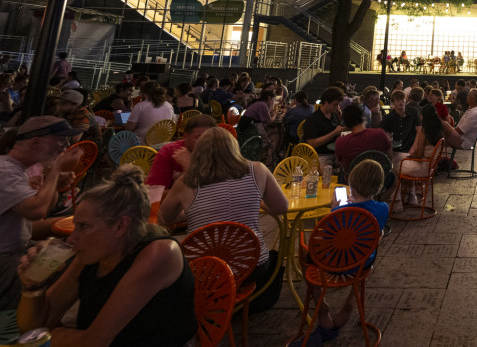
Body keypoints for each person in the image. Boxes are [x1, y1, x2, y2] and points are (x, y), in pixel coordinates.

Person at [16, 165, 197, 346]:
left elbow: (94, 342)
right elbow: (33, 328)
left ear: (120, 226)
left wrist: (50, 335)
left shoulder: (160, 253)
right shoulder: (93, 254)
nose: (71, 238)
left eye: (84, 227)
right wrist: (32, 286)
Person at [159, 127, 289, 294]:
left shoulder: (186, 181)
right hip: (252, 266)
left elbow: (163, 217)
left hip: (204, 273)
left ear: (198, 152)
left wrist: (194, 212)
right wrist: (257, 203)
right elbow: (281, 207)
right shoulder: (257, 169)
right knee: (272, 256)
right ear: (234, 147)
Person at [294, 160, 389, 344]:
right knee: (371, 252)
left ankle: (321, 308)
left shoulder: (339, 211)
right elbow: (378, 230)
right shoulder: (383, 209)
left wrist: (333, 210)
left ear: (351, 184)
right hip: (362, 263)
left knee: (305, 256)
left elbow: (326, 242)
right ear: (379, 186)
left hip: (332, 266)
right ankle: (349, 306)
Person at [0, 117, 81, 310]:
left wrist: (53, 184)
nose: (67, 145)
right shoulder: (5, 171)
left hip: (18, 250)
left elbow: (44, 209)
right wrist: (57, 169)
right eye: (61, 139)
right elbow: (37, 211)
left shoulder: (22, 170)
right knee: (72, 273)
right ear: (36, 141)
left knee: (77, 256)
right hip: (5, 260)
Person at [145, 113, 217, 189]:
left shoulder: (219, 152)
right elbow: (156, 193)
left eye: (209, 138)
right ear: (185, 136)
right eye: (198, 137)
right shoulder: (169, 152)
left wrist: (189, 168)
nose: (205, 142)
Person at [334, 103, 393, 177]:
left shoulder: (341, 142)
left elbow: (340, 163)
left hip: (353, 182)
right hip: (380, 179)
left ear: (346, 123)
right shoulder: (380, 133)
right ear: (362, 118)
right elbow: (389, 157)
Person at [380, 89, 423, 172]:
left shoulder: (413, 112)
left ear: (405, 100)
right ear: (393, 102)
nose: (400, 102)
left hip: (411, 149)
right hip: (396, 151)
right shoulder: (389, 117)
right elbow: (379, 131)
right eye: (397, 100)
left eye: (402, 99)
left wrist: (414, 147)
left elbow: (419, 131)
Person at [304, 86, 346, 161]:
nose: (337, 107)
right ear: (326, 103)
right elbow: (312, 143)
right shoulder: (313, 119)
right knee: (328, 169)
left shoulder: (334, 116)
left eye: (338, 104)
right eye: (335, 104)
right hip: (319, 155)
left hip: (334, 153)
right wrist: (334, 132)